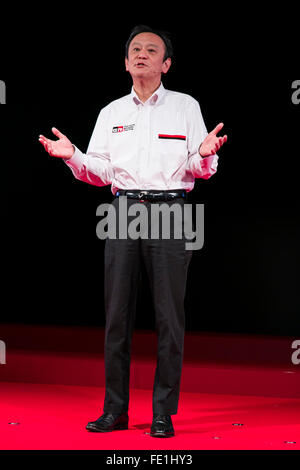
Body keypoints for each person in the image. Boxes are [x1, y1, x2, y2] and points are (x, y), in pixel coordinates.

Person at [39, 24, 227, 438]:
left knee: (169, 318)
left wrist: (204, 153)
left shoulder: (185, 107)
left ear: (167, 64)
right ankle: (115, 411)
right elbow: (102, 172)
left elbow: (198, 167)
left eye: (151, 50)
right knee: (117, 317)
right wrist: (73, 157)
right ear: (126, 62)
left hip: (171, 212)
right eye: (135, 50)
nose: (142, 54)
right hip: (123, 211)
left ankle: (163, 413)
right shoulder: (111, 114)